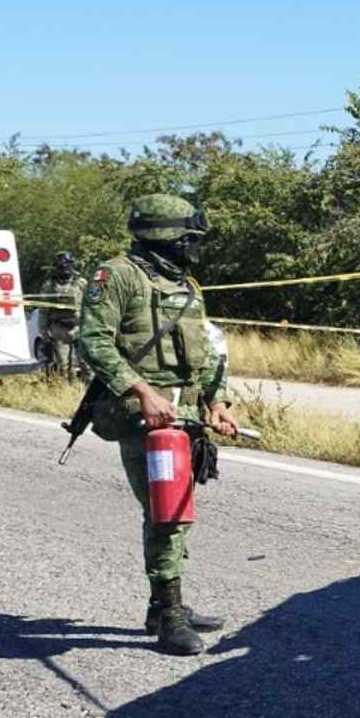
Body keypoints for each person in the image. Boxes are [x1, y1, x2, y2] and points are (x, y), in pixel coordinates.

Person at [74, 194, 240, 656]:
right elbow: (93, 341)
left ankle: (164, 605)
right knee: (165, 513)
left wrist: (216, 400)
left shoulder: (187, 285)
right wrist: (142, 390)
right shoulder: (118, 276)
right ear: (165, 236)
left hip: (184, 415)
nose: (195, 248)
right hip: (141, 414)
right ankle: (169, 615)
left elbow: (204, 350)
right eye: (189, 239)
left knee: (178, 511)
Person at [38, 251, 85, 374]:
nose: (63, 268)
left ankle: (88, 391)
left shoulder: (81, 283)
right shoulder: (49, 285)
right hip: (59, 330)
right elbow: (43, 309)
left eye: (66, 265)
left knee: (86, 364)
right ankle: (65, 390)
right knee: (62, 365)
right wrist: (43, 331)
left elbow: (92, 305)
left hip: (79, 328)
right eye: (60, 266)